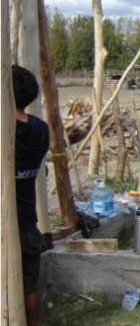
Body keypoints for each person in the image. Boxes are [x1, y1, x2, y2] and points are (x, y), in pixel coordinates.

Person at [13, 65, 50, 326]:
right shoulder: (39, 129)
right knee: (29, 286)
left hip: (8, 222)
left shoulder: (6, 130)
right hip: (27, 220)